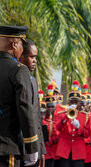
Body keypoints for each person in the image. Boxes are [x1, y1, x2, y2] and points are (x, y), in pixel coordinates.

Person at [0, 25, 39, 166]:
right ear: (14, 44)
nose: (22, 49)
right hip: (6, 148)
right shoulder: (18, 70)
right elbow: (24, 109)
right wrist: (32, 147)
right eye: (22, 44)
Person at [19, 39, 46, 167]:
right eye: (31, 57)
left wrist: (41, 149)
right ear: (21, 56)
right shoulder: (16, 79)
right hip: (20, 148)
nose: (35, 61)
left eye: (36, 57)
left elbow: (36, 118)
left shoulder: (33, 81)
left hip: (34, 149)